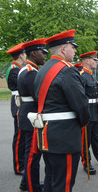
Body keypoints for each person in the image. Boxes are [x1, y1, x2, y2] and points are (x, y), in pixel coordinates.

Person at [33, 29, 89, 192]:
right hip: (65, 137)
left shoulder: (42, 70)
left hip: (46, 135)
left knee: (51, 180)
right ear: (64, 49)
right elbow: (81, 106)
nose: (75, 50)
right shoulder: (68, 70)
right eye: (73, 47)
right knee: (63, 185)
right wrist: (84, 121)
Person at [17, 38, 48, 192]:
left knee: (32, 154)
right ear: (34, 53)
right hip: (31, 117)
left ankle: (26, 183)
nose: (45, 56)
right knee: (32, 156)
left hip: (27, 115)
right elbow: (38, 97)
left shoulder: (29, 69)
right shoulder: (31, 72)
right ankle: (32, 187)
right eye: (42, 53)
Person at [6, 43, 26, 176]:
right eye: (24, 54)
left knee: (22, 135)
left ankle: (22, 163)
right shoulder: (14, 69)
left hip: (20, 102)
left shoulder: (17, 68)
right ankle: (19, 166)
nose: (26, 56)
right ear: (20, 55)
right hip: (18, 102)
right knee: (19, 136)